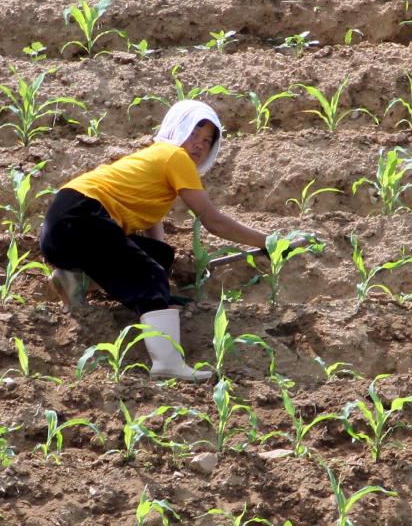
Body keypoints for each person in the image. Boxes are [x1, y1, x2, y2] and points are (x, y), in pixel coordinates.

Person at [39, 99, 270, 382]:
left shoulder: (158, 161)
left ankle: (74, 279)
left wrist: (161, 266)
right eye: (193, 133)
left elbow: (152, 226)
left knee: (157, 259)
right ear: (176, 129)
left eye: (207, 140)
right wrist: (267, 242)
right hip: (82, 217)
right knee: (148, 275)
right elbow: (213, 219)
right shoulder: (176, 157)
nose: (198, 144)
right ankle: (168, 362)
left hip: (63, 226)